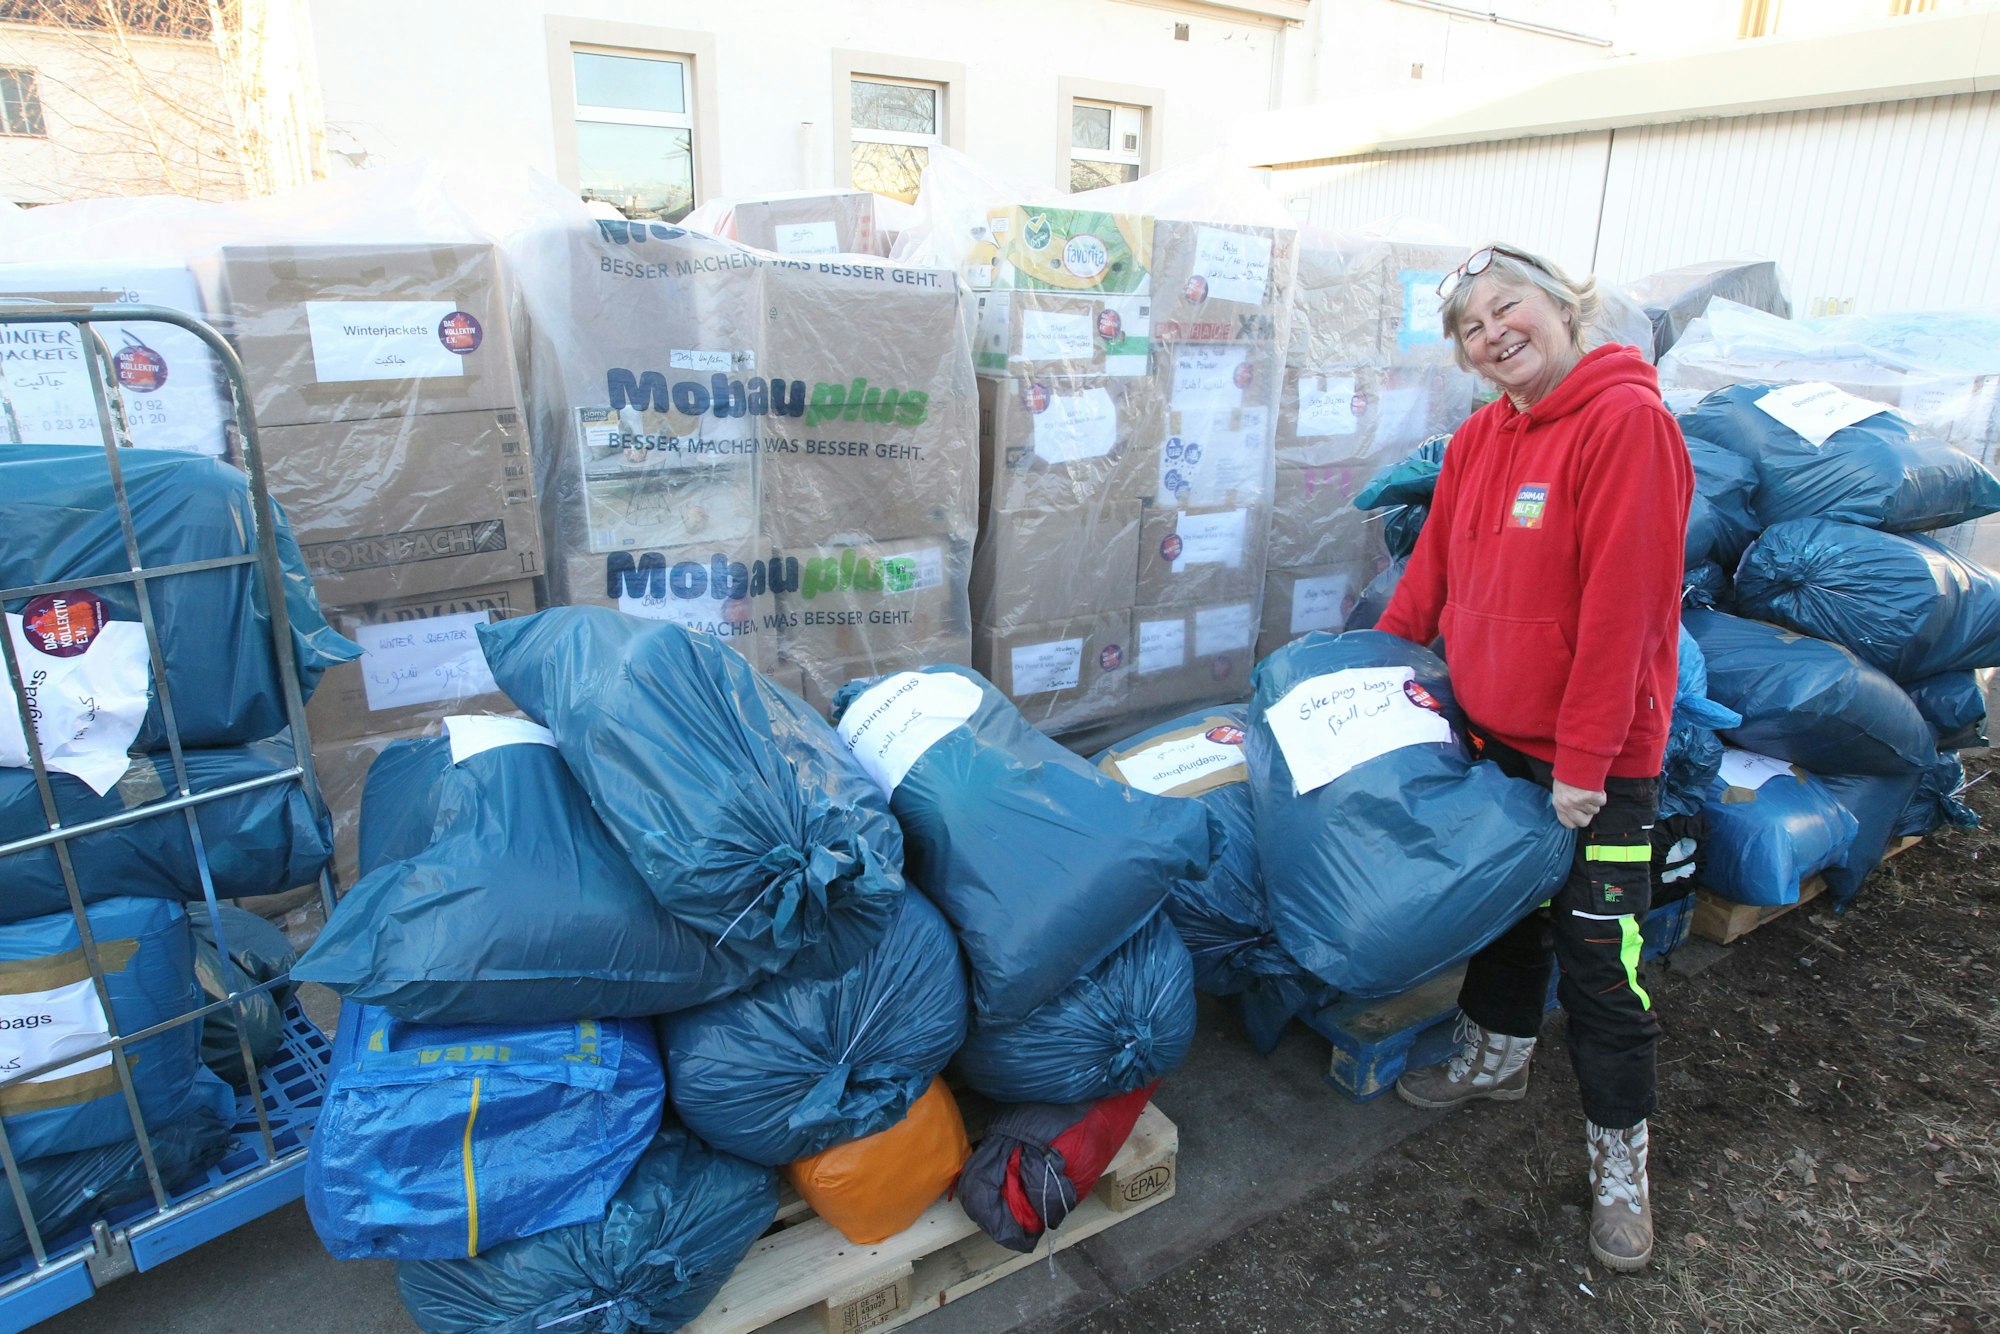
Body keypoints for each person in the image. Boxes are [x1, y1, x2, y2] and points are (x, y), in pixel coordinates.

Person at [1375, 244, 1692, 1272]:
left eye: (1507, 307)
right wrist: (1366, 680)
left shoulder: (1625, 424)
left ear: (1562, 306)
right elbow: (1431, 572)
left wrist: (1586, 764)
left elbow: (1623, 612)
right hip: (1496, 736)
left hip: (1596, 765)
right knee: (1504, 912)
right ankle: (1493, 1058)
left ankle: (1618, 1161)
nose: (1491, 333)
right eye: (1470, 327)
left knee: (1603, 961)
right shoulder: (1479, 437)